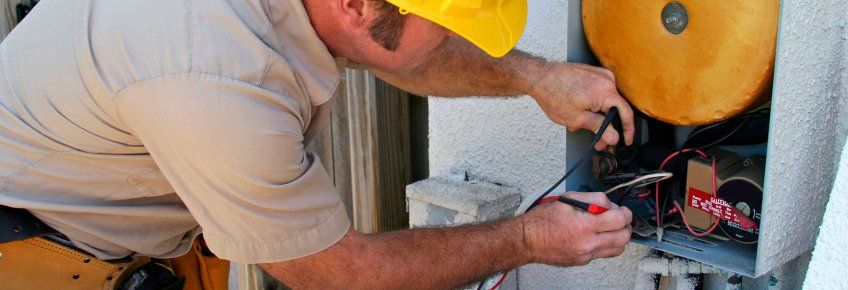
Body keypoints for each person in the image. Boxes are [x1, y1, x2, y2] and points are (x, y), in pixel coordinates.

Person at [0, 0, 635, 288]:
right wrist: (527, 239)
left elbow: (400, 52)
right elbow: (340, 274)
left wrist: (539, 78)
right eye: (446, 29)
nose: (451, 43)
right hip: (39, 253)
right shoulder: (217, 78)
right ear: (358, 6)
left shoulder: (322, 11)